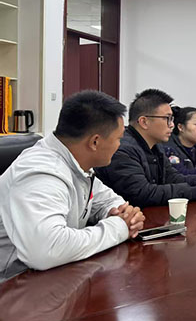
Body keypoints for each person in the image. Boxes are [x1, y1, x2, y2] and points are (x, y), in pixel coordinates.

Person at [0, 90, 145, 282]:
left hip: (51, 277)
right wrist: (119, 227)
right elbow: (47, 250)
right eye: (118, 138)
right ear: (95, 142)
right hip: (12, 284)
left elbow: (106, 199)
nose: (120, 145)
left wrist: (121, 213)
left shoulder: (76, 164)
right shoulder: (42, 172)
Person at [96, 89, 196, 208]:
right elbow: (143, 194)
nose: (172, 125)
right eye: (167, 119)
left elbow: (173, 178)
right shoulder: (123, 149)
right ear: (144, 122)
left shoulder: (156, 146)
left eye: (172, 119)